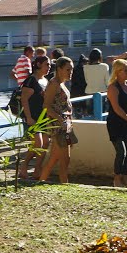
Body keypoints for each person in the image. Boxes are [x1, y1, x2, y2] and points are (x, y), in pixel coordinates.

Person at [38, 56, 76, 184]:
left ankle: (41, 180)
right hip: (58, 126)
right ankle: (64, 184)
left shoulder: (61, 84)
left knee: (54, 158)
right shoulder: (53, 84)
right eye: (68, 69)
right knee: (65, 159)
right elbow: (46, 106)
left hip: (65, 124)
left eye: (72, 69)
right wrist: (61, 120)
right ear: (59, 69)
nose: (70, 72)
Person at [106, 59, 127, 188]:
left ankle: (125, 179)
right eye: (125, 70)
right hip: (116, 123)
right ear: (117, 72)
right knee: (121, 151)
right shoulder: (113, 87)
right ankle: (117, 179)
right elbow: (116, 107)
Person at [19, 56, 51, 179]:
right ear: (38, 64)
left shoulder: (46, 80)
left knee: (45, 143)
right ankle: (24, 166)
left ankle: (37, 169)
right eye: (46, 64)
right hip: (32, 117)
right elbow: (24, 100)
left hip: (43, 117)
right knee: (38, 143)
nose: (48, 67)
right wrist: (28, 117)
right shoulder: (30, 81)